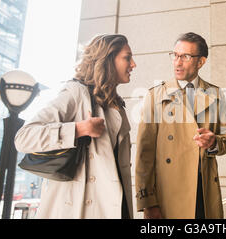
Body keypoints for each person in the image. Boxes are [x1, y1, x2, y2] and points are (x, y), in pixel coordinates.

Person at [14, 34, 136, 218]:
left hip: (117, 206)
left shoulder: (117, 105)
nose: (133, 64)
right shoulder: (76, 93)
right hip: (81, 208)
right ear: (108, 59)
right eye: (127, 57)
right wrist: (78, 129)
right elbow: (24, 138)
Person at [135, 32, 226, 219]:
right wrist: (147, 202)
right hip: (167, 196)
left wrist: (214, 143)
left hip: (203, 192)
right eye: (175, 55)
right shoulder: (155, 95)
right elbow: (144, 154)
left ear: (201, 61)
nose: (177, 62)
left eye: (186, 56)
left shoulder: (215, 94)